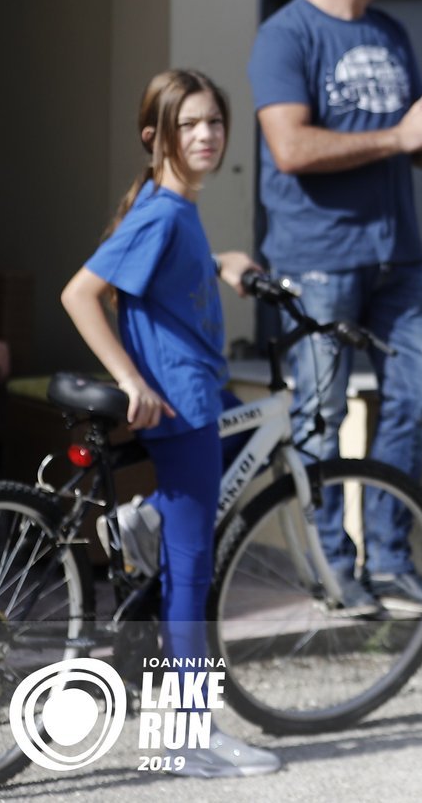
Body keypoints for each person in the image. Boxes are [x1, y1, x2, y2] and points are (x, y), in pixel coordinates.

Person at [247, 0, 422, 615]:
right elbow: (291, 147)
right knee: (319, 414)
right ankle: (332, 566)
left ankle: (387, 556)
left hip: (396, 256)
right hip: (318, 257)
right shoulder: (286, 35)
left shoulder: (389, 31)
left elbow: (415, 152)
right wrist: (400, 137)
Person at [60, 69, 281, 778]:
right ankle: (188, 737)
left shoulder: (175, 211)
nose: (206, 134)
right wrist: (132, 380)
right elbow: (80, 293)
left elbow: (167, 271)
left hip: (200, 396)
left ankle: (146, 518)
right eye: (189, 125)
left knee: (240, 444)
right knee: (192, 576)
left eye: (214, 121)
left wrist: (220, 264)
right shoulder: (160, 212)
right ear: (155, 136)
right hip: (179, 407)